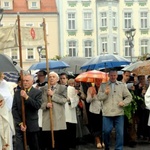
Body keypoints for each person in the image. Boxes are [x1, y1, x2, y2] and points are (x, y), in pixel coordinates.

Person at [97, 69, 132, 150]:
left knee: (120, 133)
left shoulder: (121, 85)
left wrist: (124, 102)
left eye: (114, 75)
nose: (113, 77)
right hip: (107, 113)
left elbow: (129, 97)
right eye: (111, 75)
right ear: (108, 75)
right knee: (106, 132)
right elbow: (99, 97)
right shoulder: (103, 85)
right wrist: (105, 93)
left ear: (117, 76)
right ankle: (107, 146)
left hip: (119, 113)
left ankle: (118, 148)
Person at [12, 74, 42, 150]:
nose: (24, 82)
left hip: (32, 125)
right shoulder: (17, 93)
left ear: (32, 81)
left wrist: (26, 97)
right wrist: (20, 123)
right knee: (19, 147)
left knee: (34, 146)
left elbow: (37, 106)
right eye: (23, 81)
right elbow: (14, 109)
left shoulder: (37, 92)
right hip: (20, 126)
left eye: (27, 81)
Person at [41, 71, 68, 150]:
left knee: (59, 142)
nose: (51, 78)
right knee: (49, 142)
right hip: (47, 118)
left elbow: (64, 100)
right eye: (50, 77)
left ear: (57, 79)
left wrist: (53, 95)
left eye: (53, 77)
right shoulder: (43, 89)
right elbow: (40, 103)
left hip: (58, 118)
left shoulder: (62, 88)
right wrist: (46, 105)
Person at [86, 78, 104, 149]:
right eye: (97, 81)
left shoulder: (104, 88)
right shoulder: (90, 88)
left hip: (103, 110)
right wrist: (92, 96)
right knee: (96, 126)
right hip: (94, 110)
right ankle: (98, 140)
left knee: (103, 126)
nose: (98, 82)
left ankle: (103, 140)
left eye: (100, 80)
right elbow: (87, 100)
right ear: (94, 81)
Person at [65, 78, 79, 149]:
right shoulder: (64, 89)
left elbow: (76, 100)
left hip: (71, 113)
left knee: (72, 130)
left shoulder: (75, 90)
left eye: (72, 84)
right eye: (69, 84)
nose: (71, 85)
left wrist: (70, 100)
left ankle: (72, 145)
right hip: (64, 113)